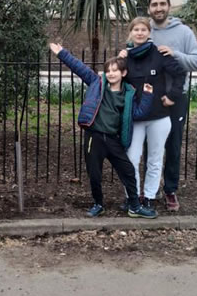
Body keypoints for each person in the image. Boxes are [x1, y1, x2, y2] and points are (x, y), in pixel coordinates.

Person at [49, 42, 157, 219]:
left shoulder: (128, 94)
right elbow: (79, 68)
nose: (111, 73)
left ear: (123, 73)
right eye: (108, 70)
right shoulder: (96, 83)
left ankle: (135, 206)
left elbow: (137, 113)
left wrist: (147, 96)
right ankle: (98, 204)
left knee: (128, 171)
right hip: (94, 137)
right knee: (95, 174)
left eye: (115, 70)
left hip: (113, 140)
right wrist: (62, 53)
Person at [121, 17, 185, 217]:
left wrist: (172, 97)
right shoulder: (126, 57)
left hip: (159, 116)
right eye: (136, 29)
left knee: (155, 159)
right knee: (131, 159)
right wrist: (119, 57)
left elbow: (180, 73)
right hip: (135, 117)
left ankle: (148, 197)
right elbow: (114, 78)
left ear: (149, 33)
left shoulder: (159, 54)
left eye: (143, 29)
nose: (139, 33)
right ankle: (132, 196)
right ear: (131, 33)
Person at [148, 0, 197, 211]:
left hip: (176, 97)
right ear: (149, 8)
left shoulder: (184, 32)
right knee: (149, 145)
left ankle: (170, 190)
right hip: (150, 96)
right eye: (154, 4)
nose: (158, 8)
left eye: (162, 4)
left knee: (173, 144)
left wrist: (175, 53)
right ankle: (149, 189)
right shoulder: (144, 29)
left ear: (169, 6)